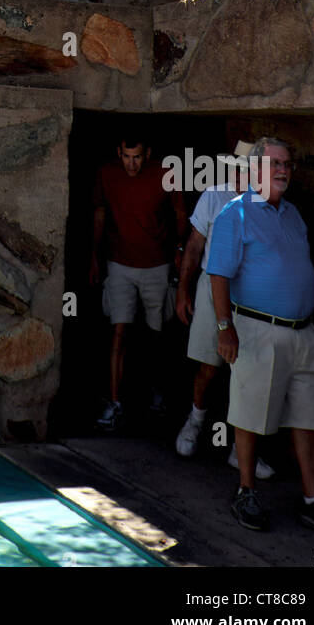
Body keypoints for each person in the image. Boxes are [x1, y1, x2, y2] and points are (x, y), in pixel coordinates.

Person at [207, 135, 314, 536]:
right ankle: (246, 492)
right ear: (254, 172)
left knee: (308, 417)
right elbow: (217, 275)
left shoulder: (293, 215)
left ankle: (312, 501)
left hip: (303, 334)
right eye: (276, 164)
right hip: (256, 329)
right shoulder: (235, 215)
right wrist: (224, 328)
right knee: (250, 414)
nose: (284, 170)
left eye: (287, 164)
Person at [174, 141, 274, 479]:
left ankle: (239, 451)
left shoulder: (264, 201)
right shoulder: (213, 195)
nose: (239, 172)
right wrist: (182, 290)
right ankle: (195, 421)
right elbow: (194, 246)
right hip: (210, 288)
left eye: (246, 168)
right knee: (209, 366)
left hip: (250, 293)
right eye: (236, 166)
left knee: (247, 376)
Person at [91, 128, 187, 429]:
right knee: (118, 330)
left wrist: (181, 248)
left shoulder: (166, 171)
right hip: (119, 262)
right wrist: (93, 255)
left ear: (147, 154)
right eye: (126, 157)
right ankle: (115, 400)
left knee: (156, 333)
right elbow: (99, 212)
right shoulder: (107, 173)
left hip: (157, 264)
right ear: (118, 152)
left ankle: (156, 395)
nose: (131, 164)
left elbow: (180, 212)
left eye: (137, 157)